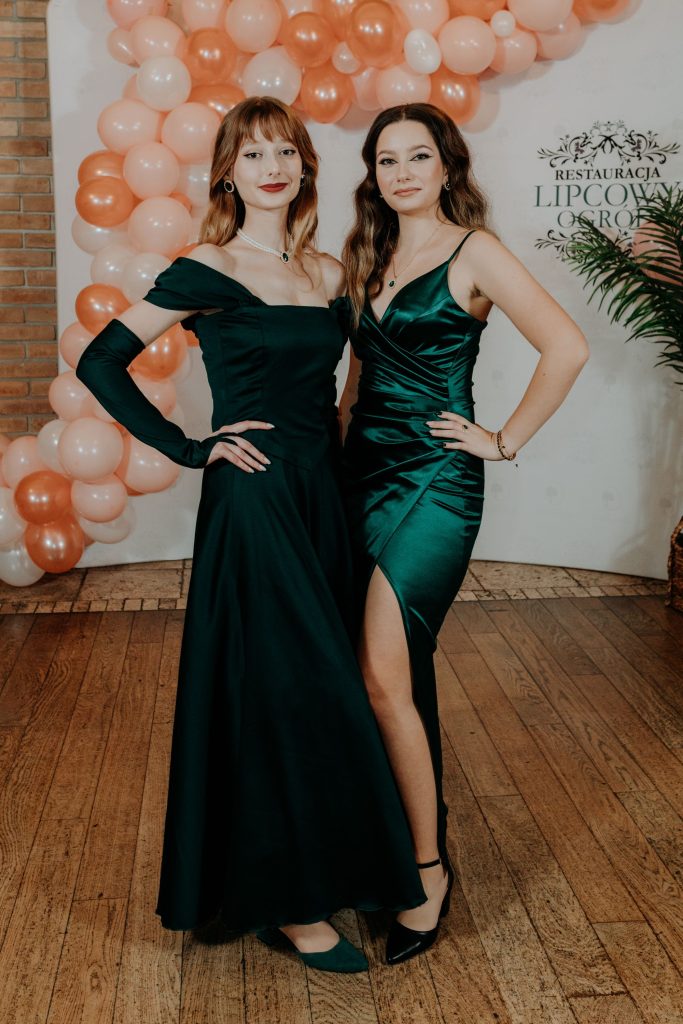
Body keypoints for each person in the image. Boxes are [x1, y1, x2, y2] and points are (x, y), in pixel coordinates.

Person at [76, 96, 427, 974]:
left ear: (305, 166)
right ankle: (295, 907)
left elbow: (353, 390)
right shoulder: (206, 265)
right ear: (227, 173)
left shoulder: (327, 270)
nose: (271, 167)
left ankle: (319, 872)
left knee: (322, 688)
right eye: (253, 154)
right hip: (256, 499)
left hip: (324, 499)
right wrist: (191, 447)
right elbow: (99, 360)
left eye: (285, 152)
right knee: (289, 689)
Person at [340, 102, 589, 966]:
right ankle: (382, 845)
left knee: (381, 676)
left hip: (433, 483)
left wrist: (501, 439)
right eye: (386, 160)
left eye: (418, 156)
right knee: (383, 676)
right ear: (373, 175)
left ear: (447, 166)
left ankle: (427, 871)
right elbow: (355, 379)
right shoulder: (367, 253)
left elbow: (566, 347)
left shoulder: (473, 251)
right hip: (357, 476)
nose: (402, 172)